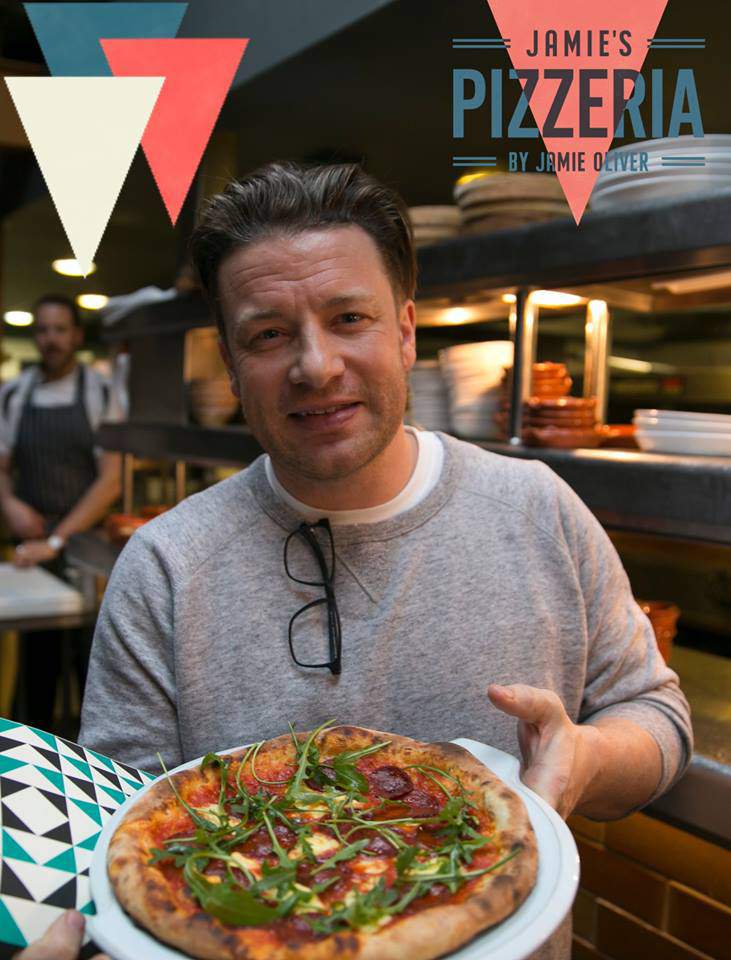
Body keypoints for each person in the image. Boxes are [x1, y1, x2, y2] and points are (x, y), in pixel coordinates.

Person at [79, 163, 692, 958]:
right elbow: (119, 833)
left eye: (348, 318)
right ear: (229, 363)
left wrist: (585, 759)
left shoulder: (537, 508)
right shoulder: (164, 566)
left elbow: (654, 715)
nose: (315, 365)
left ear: (404, 331)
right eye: (268, 334)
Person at [0, 294, 122, 729]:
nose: (50, 339)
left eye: (59, 330)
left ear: (76, 335)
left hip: (88, 552)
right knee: (37, 670)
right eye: (42, 330)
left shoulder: (100, 391)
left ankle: (90, 758)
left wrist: (57, 539)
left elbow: (111, 480)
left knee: (93, 669)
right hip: (31, 549)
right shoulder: (14, 394)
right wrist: (9, 503)